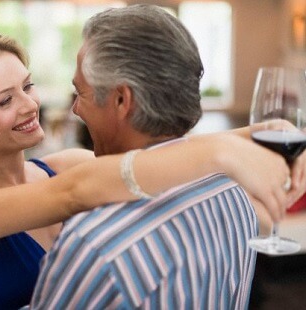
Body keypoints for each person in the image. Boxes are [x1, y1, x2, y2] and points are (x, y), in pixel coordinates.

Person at [0, 34, 298, 309]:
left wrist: (257, 134)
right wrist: (222, 150)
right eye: (6, 100)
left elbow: (157, 157)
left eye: (28, 86)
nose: (30, 105)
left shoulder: (65, 166)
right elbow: (73, 193)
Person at [30, 5, 306, 309]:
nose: (75, 109)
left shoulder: (95, 244)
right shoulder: (235, 192)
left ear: (122, 100)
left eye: (80, 93)